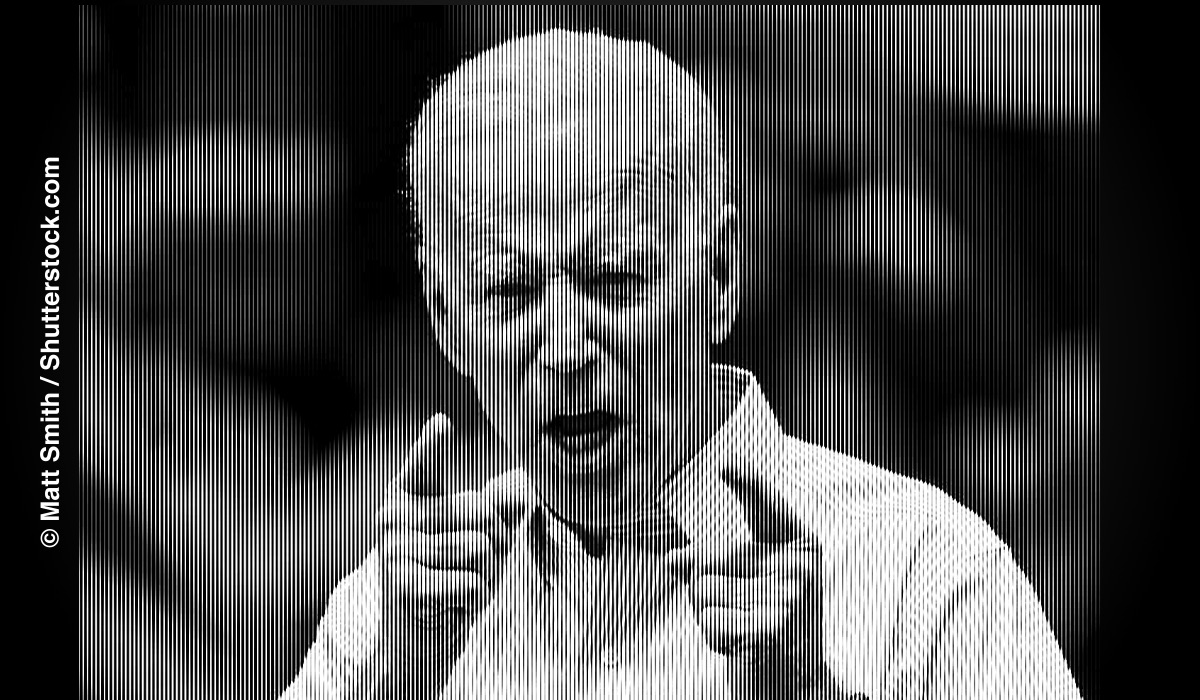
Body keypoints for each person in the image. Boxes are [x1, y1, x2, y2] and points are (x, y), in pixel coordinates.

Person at [283, 29, 1081, 699]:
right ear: (444, 318)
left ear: (722, 277)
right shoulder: (391, 617)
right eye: (511, 293)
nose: (564, 350)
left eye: (614, 279)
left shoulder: (929, 576)